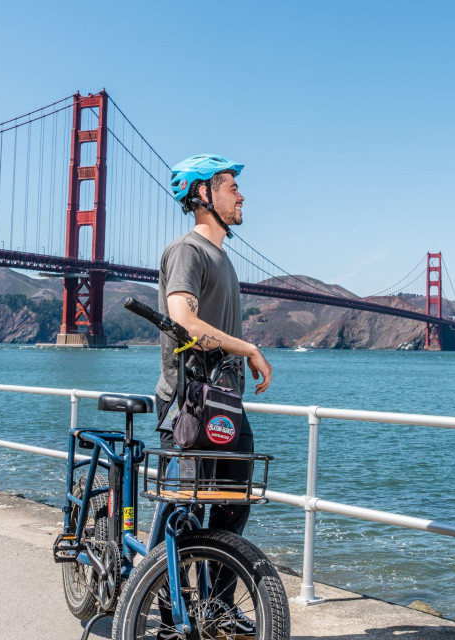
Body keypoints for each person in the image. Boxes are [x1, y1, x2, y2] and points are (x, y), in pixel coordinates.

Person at [153, 153, 273, 633]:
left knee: (231, 503)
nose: (241, 195)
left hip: (224, 404)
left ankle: (216, 607)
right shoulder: (189, 251)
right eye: (230, 187)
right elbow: (184, 320)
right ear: (203, 195)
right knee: (180, 507)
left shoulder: (223, 258)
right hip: (187, 405)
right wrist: (248, 348)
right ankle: (164, 614)